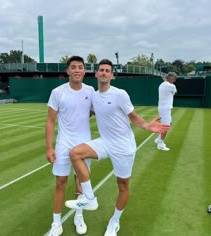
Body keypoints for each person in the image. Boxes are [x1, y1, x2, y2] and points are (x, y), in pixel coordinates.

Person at [64, 59, 171, 236]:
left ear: (112, 75)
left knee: (122, 185)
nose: (104, 73)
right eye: (101, 70)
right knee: (75, 153)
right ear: (96, 74)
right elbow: (86, 113)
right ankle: (89, 197)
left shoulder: (120, 94)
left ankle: (115, 221)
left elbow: (133, 116)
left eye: (107, 70)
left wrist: (147, 126)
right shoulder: (94, 96)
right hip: (105, 142)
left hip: (123, 146)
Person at [45, 56, 94, 235]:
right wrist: (49, 147)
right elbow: (50, 121)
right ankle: (56, 223)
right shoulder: (57, 92)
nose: (77, 70)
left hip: (84, 145)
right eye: (73, 67)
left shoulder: (90, 91)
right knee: (60, 183)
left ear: (84, 70)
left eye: (80, 67)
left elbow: (94, 112)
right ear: (68, 71)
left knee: (81, 183)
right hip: (63, 144)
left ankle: (78, 215)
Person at [155, 72, 177, 151]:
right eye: (174, 79)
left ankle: (158, 139)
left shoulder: (162, 84)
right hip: (165, 109)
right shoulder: (171, 86)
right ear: (170, 78)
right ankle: (160, 144)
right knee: (166, 127)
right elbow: (175, 92)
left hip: (163, 108)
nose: (174, 81)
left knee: (169, 124)